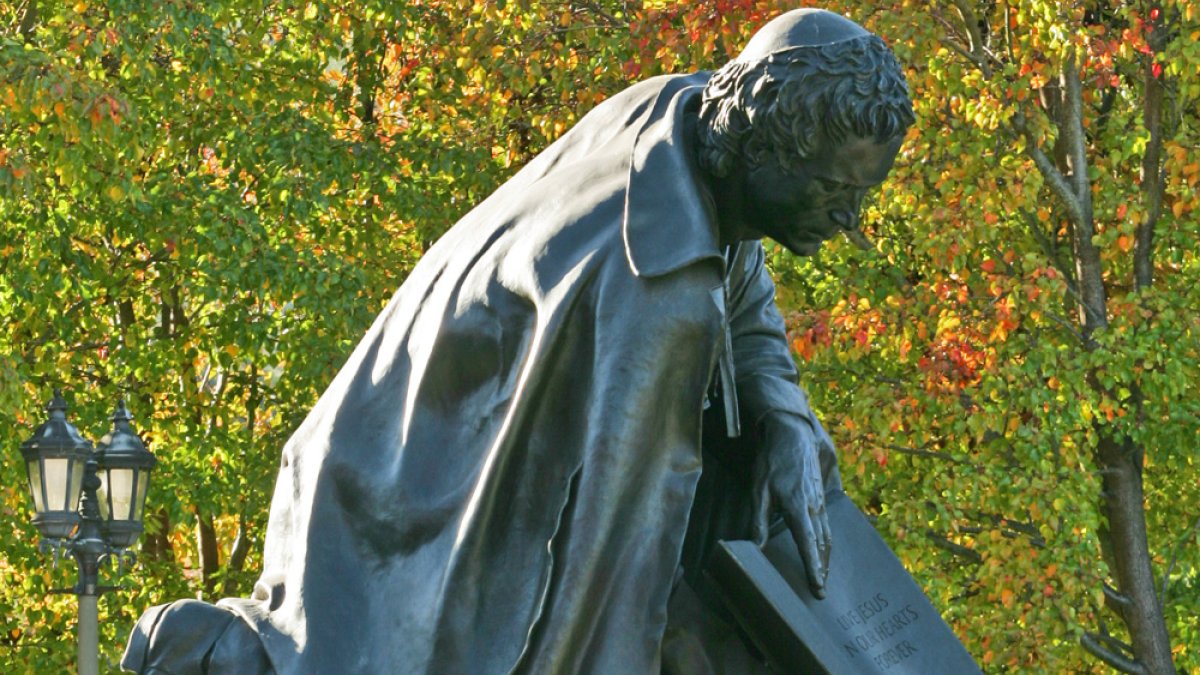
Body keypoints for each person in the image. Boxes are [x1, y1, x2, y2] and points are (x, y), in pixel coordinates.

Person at [123, 8, 914, 674]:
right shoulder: (658, 294)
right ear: (766, 146)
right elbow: (606, 580)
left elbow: (737, 269)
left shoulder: (679, 116)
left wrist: (782, 412)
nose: (847, 220)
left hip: (384, 460)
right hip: (414, 513)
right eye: (834, 190)